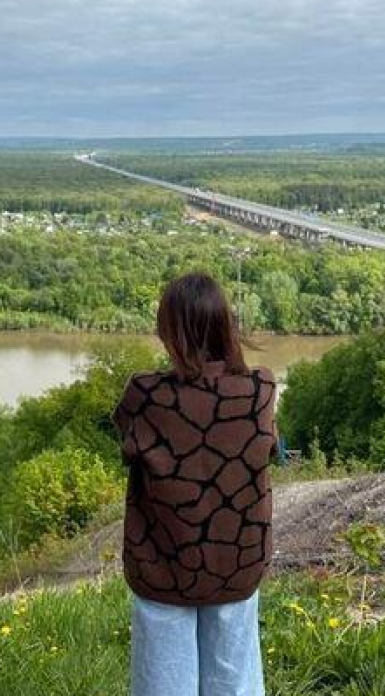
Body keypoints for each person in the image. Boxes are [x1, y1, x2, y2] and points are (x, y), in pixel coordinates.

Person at [112, 272, 277, 696]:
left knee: (163, 683)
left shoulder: (146, 396)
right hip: (235, 562)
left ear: (169, 331)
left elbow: (127, 441)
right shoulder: (258, 391)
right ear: (225, 325)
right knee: (234, 679)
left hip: (162, 563)